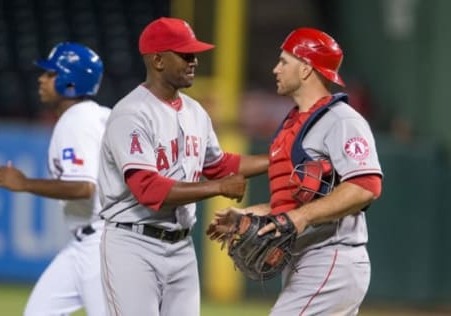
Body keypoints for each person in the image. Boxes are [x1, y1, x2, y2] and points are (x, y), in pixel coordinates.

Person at [98, 17, 268, 316]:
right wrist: (218, 188)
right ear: (158, 60)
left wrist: (280, 159)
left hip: (181, 247)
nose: (194, 61)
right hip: (133, 245)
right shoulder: (131, 114)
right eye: (185, 54)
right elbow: (147, 189)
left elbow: (219, 165)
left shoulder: (195, 111)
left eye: (195, 54)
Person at [207, 27, 383, 315]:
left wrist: (299, 217)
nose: (276, 69)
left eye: (284, 62)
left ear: (305, 69)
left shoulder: (341, 120)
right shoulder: (293, 124)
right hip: (307, 261)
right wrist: (249, 215)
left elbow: (366, 186)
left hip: (330, 258)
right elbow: (293, 205)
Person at [0, 42, 109, 316]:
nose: (41, 79)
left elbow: (84, 187)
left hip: (103, 245)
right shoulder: (98, 114)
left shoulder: (76, 121)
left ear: (70, 81)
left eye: (51, 74)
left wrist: (25, 184)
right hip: (86, 243)